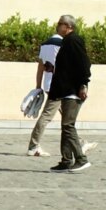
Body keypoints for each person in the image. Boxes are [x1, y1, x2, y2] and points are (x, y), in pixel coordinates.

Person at [46, 14, 93, 173]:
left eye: (59, 24)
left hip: (73, 91)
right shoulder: (67, 42)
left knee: (68, 125)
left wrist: (83, 84)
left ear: (68, 26)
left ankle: (81, 158)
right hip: (66, 91)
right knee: (65, 126)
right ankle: (66, 160)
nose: (57, 26)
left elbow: (84, 64)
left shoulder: (74, 40)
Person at [25, 27, 63, 157]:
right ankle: (33, 145)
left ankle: (78, 143)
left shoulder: (45, 45)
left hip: (48, 84)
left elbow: (40, 67)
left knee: (68, 117)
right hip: (59, 86)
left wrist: (38, 85)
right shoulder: (62, 45)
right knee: (47, 116)